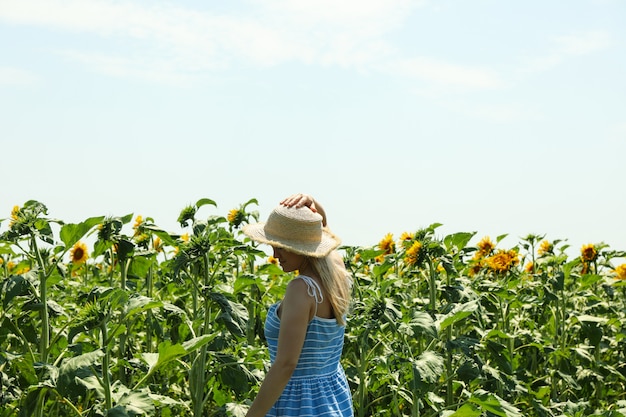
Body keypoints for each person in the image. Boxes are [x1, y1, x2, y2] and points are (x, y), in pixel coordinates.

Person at [242, 193, 354, 417]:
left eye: (282, 247)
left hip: (300, 405)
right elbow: (326, 238)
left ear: (301, 246)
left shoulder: (301, 290)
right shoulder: (336, 273)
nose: (275, 254)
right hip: (334, 400)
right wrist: (314, 205)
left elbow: (286, 365)